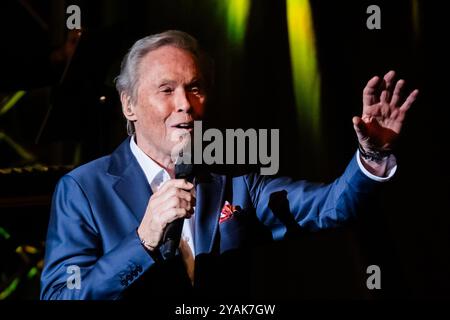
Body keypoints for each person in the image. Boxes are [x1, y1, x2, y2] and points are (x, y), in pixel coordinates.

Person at [40, 30, 418, 300]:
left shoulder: (233, 177)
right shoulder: (83, 189)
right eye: (166, 90)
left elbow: (331, 207)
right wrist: (143, 240)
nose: (186, 104)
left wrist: (371, 155)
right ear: (129, 105)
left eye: (196, 88)